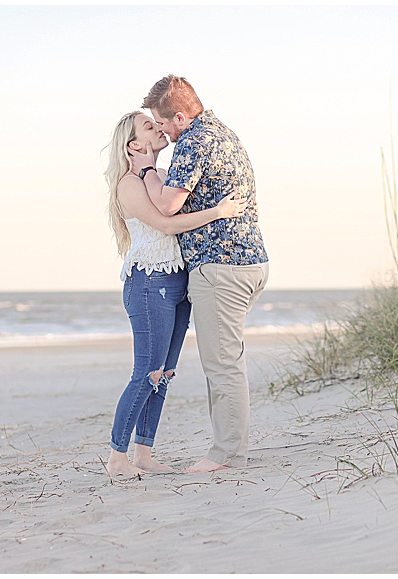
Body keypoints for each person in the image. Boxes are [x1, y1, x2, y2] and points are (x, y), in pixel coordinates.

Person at [130, 75, 269, 473]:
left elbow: (169, 204)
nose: (165, 134)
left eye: (164, 124)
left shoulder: (193, 141)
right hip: (248, 260)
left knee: (222, 364)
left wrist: (145, 171)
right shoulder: (224, 133)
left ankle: (226, 455)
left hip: (221, 266)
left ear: (179, 116)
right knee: (228, 359)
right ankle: (231, 448)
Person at [103, 110, 248, 477]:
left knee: (164, 374)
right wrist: (219, 212)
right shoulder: (128, 184)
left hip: (177, 283)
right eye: (149, 127)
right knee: (145, 373)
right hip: (149, 282)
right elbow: (167, 225)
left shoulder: (161, 178)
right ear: (135, 145)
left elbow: (176, 206)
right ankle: (116, 458)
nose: (159, 128)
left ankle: (144, 454)